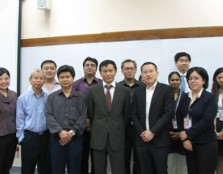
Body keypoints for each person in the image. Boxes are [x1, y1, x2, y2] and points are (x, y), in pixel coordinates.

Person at [87, 60, 131, 174]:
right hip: (98, 137)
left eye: (110, 70)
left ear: (116, 71)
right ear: (100, 73)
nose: (108, 74)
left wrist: (117, 126)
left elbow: (126, 114)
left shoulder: (124, 91)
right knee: (99, 170)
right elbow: (91, 114)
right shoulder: (93, 91)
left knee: (119, 169)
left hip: (117, 137)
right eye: (104, 71)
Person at [131, 62, 174, 174]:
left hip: (160, 140)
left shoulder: (166, 89)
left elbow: (168, 113)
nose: (148, 74)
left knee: (161, 170)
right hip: (142, 140)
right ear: (141, 75)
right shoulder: (138, 91)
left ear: (157, 73)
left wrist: (153, 132)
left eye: (151, 71)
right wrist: (142, 132)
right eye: (145, 72)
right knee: (145, 170)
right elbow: (133, 114)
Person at [45, 65, 87, 174]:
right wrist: (60, 132)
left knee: (75, 169)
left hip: (75, 139)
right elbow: (49, 115)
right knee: (57, 169)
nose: (65, 79)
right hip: (56, 138)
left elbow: (83, 117)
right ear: (58, 79)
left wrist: (70, 133)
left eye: (67, 76)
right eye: (62, 77)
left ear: (73, 78)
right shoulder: (52, 97)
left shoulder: (81, 97)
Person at [177, 67, 218, 174]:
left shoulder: (210, 97)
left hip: (206, 142)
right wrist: (185, 138)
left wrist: (186, 134)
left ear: (204, 81)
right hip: (188, 143)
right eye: (190, 78)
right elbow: (179, 116)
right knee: (192, 171)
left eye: (196, 78)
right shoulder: (184, 97)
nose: (193, 81)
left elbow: (207, 120)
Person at [16, 69, 51, 174]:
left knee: (45, 168)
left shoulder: (48, 97)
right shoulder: (23, 98)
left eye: (41, 78)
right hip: (30, 138)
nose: (38, 80)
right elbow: (19, 119)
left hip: (46, 137)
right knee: (27, 168)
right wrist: (21, 138)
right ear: (30, 80)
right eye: (35, 78)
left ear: (44, 81)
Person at [73, 57, 102, 174]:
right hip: (80, 127)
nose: (89, 67)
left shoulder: (102, 83)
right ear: (83, 67)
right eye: (87, 65)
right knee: (82, 157)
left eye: (92, 65)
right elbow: (72, 105)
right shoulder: (76, 84)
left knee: (97, 157)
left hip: (98, 127)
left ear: (96, 68)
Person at [118, 59, 144, 174]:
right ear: (122, 71)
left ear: (135, 71)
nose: (129, 71)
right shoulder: (117, 87)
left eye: (131, 68)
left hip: (140, 128)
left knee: (139, 159)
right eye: (126, 69)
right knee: (123, 158)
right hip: (122, 128)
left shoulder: (143, 86)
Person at [167, 71, 187, 174]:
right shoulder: (164, 95)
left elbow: (188, 116)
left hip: (182, 132)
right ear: (168, 81)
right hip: (167, 133)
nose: (174, 82)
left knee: (182, 162)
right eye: (172, 80)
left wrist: (182, 132)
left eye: (177, 80)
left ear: (180, 81)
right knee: (169, 163)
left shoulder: (186, 96)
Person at [0, 67, 17, 174]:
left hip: (12, 135)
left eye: (6, 78)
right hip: (0, 136)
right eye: (0, 79)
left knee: (7, 164)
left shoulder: (14, 94)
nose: (4, 81)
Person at [212, 67, 223, 174]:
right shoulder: (213, 94)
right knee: (218, 158)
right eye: (219, 77)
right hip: (216, 130)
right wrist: (214, 130)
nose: (221, 80)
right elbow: (212, 114)